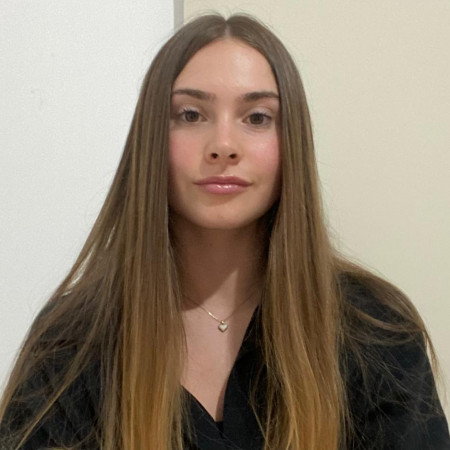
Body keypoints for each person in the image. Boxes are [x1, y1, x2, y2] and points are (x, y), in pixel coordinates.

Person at [0, 12, 449, 450]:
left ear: (291, 140)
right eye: (191, 114)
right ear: (151, 139)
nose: (223, 146)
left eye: (257, 118)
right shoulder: (73, 340)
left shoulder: (375, 329)